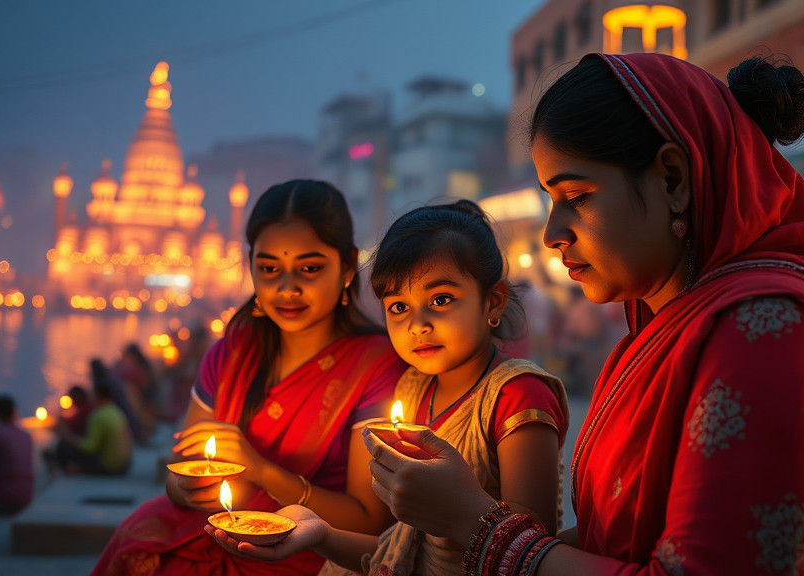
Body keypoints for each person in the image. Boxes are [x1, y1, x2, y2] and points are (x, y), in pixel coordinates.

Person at [358, 54, 804, 574]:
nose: (552, 233)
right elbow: (629, 534)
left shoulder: (768, 337)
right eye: (550, 201)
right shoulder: (666, 328)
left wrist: (479, 524)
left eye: (577, 197)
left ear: (671, 179)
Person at [209, 200, 570, 576]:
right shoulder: (410, 389)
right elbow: (395, 548)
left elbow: (527, 556)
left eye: (441, 300)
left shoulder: (516, 395)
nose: (418, 324)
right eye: (398, 307)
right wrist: (321, 536)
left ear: (493, 301)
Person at [92, 180, 407, 576]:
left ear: (347, 267)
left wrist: (263, 472)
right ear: (250, 265)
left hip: (304, 554)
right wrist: (189, 488)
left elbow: (369, 521)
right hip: (204, 533)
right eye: (269, 269)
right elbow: (178, 474)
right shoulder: (230, 354)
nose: (287, 288)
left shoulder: (376, 366)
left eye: (309, 269)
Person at [51, 376, 134, 475]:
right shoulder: (114, 410)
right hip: (125, 465)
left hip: (112, 467)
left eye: (92, 394)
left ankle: (70, 470)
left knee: (64, 447)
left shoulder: (98, 416)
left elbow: (90, 447)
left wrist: (66, 436)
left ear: (98, 395)